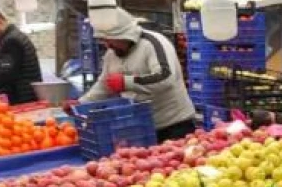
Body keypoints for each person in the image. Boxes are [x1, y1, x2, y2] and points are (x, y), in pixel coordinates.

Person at [80, 9, 196, 142]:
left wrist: (127, 82)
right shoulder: (112, 54)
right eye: (104, 41)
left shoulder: (153, 44)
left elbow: (165, 77)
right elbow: (104, 84)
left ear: (123, 35)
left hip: (173, 126)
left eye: (109, 40)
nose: (108, 46)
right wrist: (82, 103)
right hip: (140, 127)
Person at [0, 8, 42, 105]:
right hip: (22, 97)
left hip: (21, 100)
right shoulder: (11, 38)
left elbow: (7, 74)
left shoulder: (12, 41)